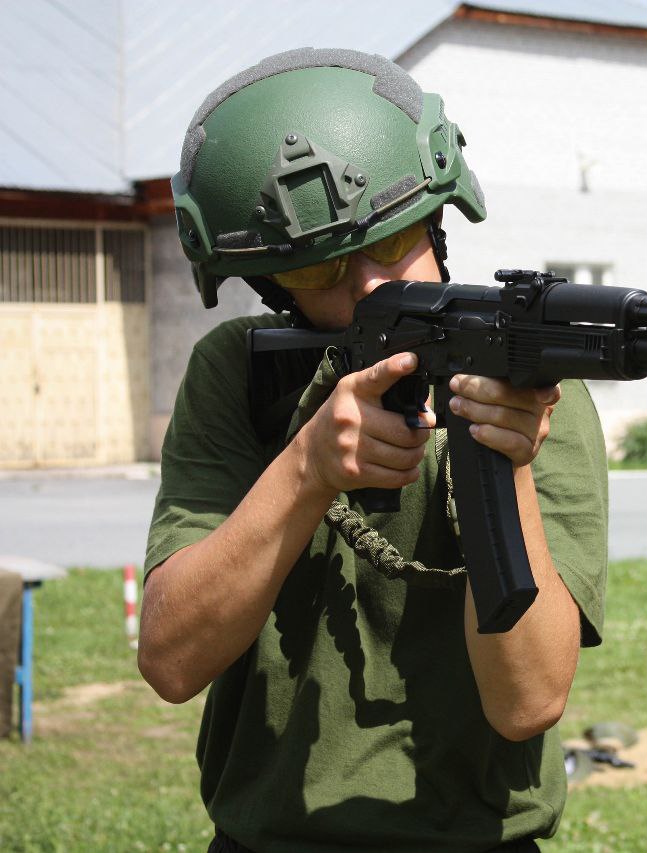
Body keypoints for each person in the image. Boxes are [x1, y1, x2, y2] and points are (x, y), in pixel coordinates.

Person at [139, 48, 608, 852]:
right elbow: (173, 660)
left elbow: (527, 701)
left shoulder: (532, 391)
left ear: (438, 220)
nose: (370, 289)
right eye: (324, 265)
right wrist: (307, 468)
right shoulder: (239, 372)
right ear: (272, 282)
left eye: (392, 244)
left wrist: (507, 463)